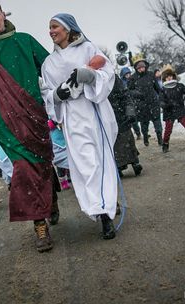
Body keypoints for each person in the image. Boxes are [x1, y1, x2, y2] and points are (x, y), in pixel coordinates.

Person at [0, 0, 57, 252]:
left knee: (41, 165)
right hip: (6, 122)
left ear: (3, 14)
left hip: (34, 116)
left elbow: (51, 68)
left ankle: (50, 202)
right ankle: (39, 224)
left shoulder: (25, 40)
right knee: (23, 170)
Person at [41, 13, 118, 240]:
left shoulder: (88, 48)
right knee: (88, 164)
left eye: (55, 26)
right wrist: (56, 95)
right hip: (72, 116)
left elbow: (107, 70)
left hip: (96, 111)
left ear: (68, 28)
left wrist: (91, 76)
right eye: (50, 28)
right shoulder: (48, 63)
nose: (52, 31)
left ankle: (108, 203)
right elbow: (46, 92)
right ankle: (103, 214)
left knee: (103, 160)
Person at [108, 74, 143, 177]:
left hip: (121, 115)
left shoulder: (113, 78)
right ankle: (118, 167)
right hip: (108, 118)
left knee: (127, 139)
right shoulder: (95, 79)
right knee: (113, 143)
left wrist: (130, 112)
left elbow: (126, 95)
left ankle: (135, 162)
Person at [128, 53, 163, 146]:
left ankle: (160, 138)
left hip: (153, 102)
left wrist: (161, 97)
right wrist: (137, 94)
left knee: (157, 122)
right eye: (139, 68)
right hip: (141, 105)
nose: (141, 69)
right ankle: (145, 138)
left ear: (145, 66)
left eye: (142, 67)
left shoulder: (151, 75)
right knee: (144, 124)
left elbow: (157, 88)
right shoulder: (133, 78)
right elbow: (129, 91)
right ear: (136, 68)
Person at [47, 119, 71, 190]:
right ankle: (64, 182)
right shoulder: (47, 113)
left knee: (70, 160)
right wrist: (53, 122)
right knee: (60, 164)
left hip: (66, 137)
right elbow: (48, 125)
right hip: (56, 141)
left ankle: (71, 177)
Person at [120, 67, 142, 140]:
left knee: (141, 118)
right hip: (128, 104)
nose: (128, 75)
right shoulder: (121, 83)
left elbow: (137, 90)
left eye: (129, 73)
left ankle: (143, 132)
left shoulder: (133, 80)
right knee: (133, 120)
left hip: (136, 102)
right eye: (126, 74)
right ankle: (138, 133)